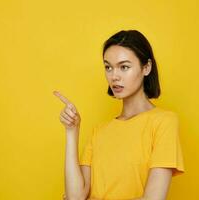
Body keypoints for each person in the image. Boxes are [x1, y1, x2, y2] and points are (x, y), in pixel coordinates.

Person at [54, 30, 185, 200]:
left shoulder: (164, 122)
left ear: (146, 67)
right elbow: (75, 197)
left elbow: (153, 198)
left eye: (124, 67)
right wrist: (72, 131)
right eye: (108, 67)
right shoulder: (98, 132)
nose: (114, 76)